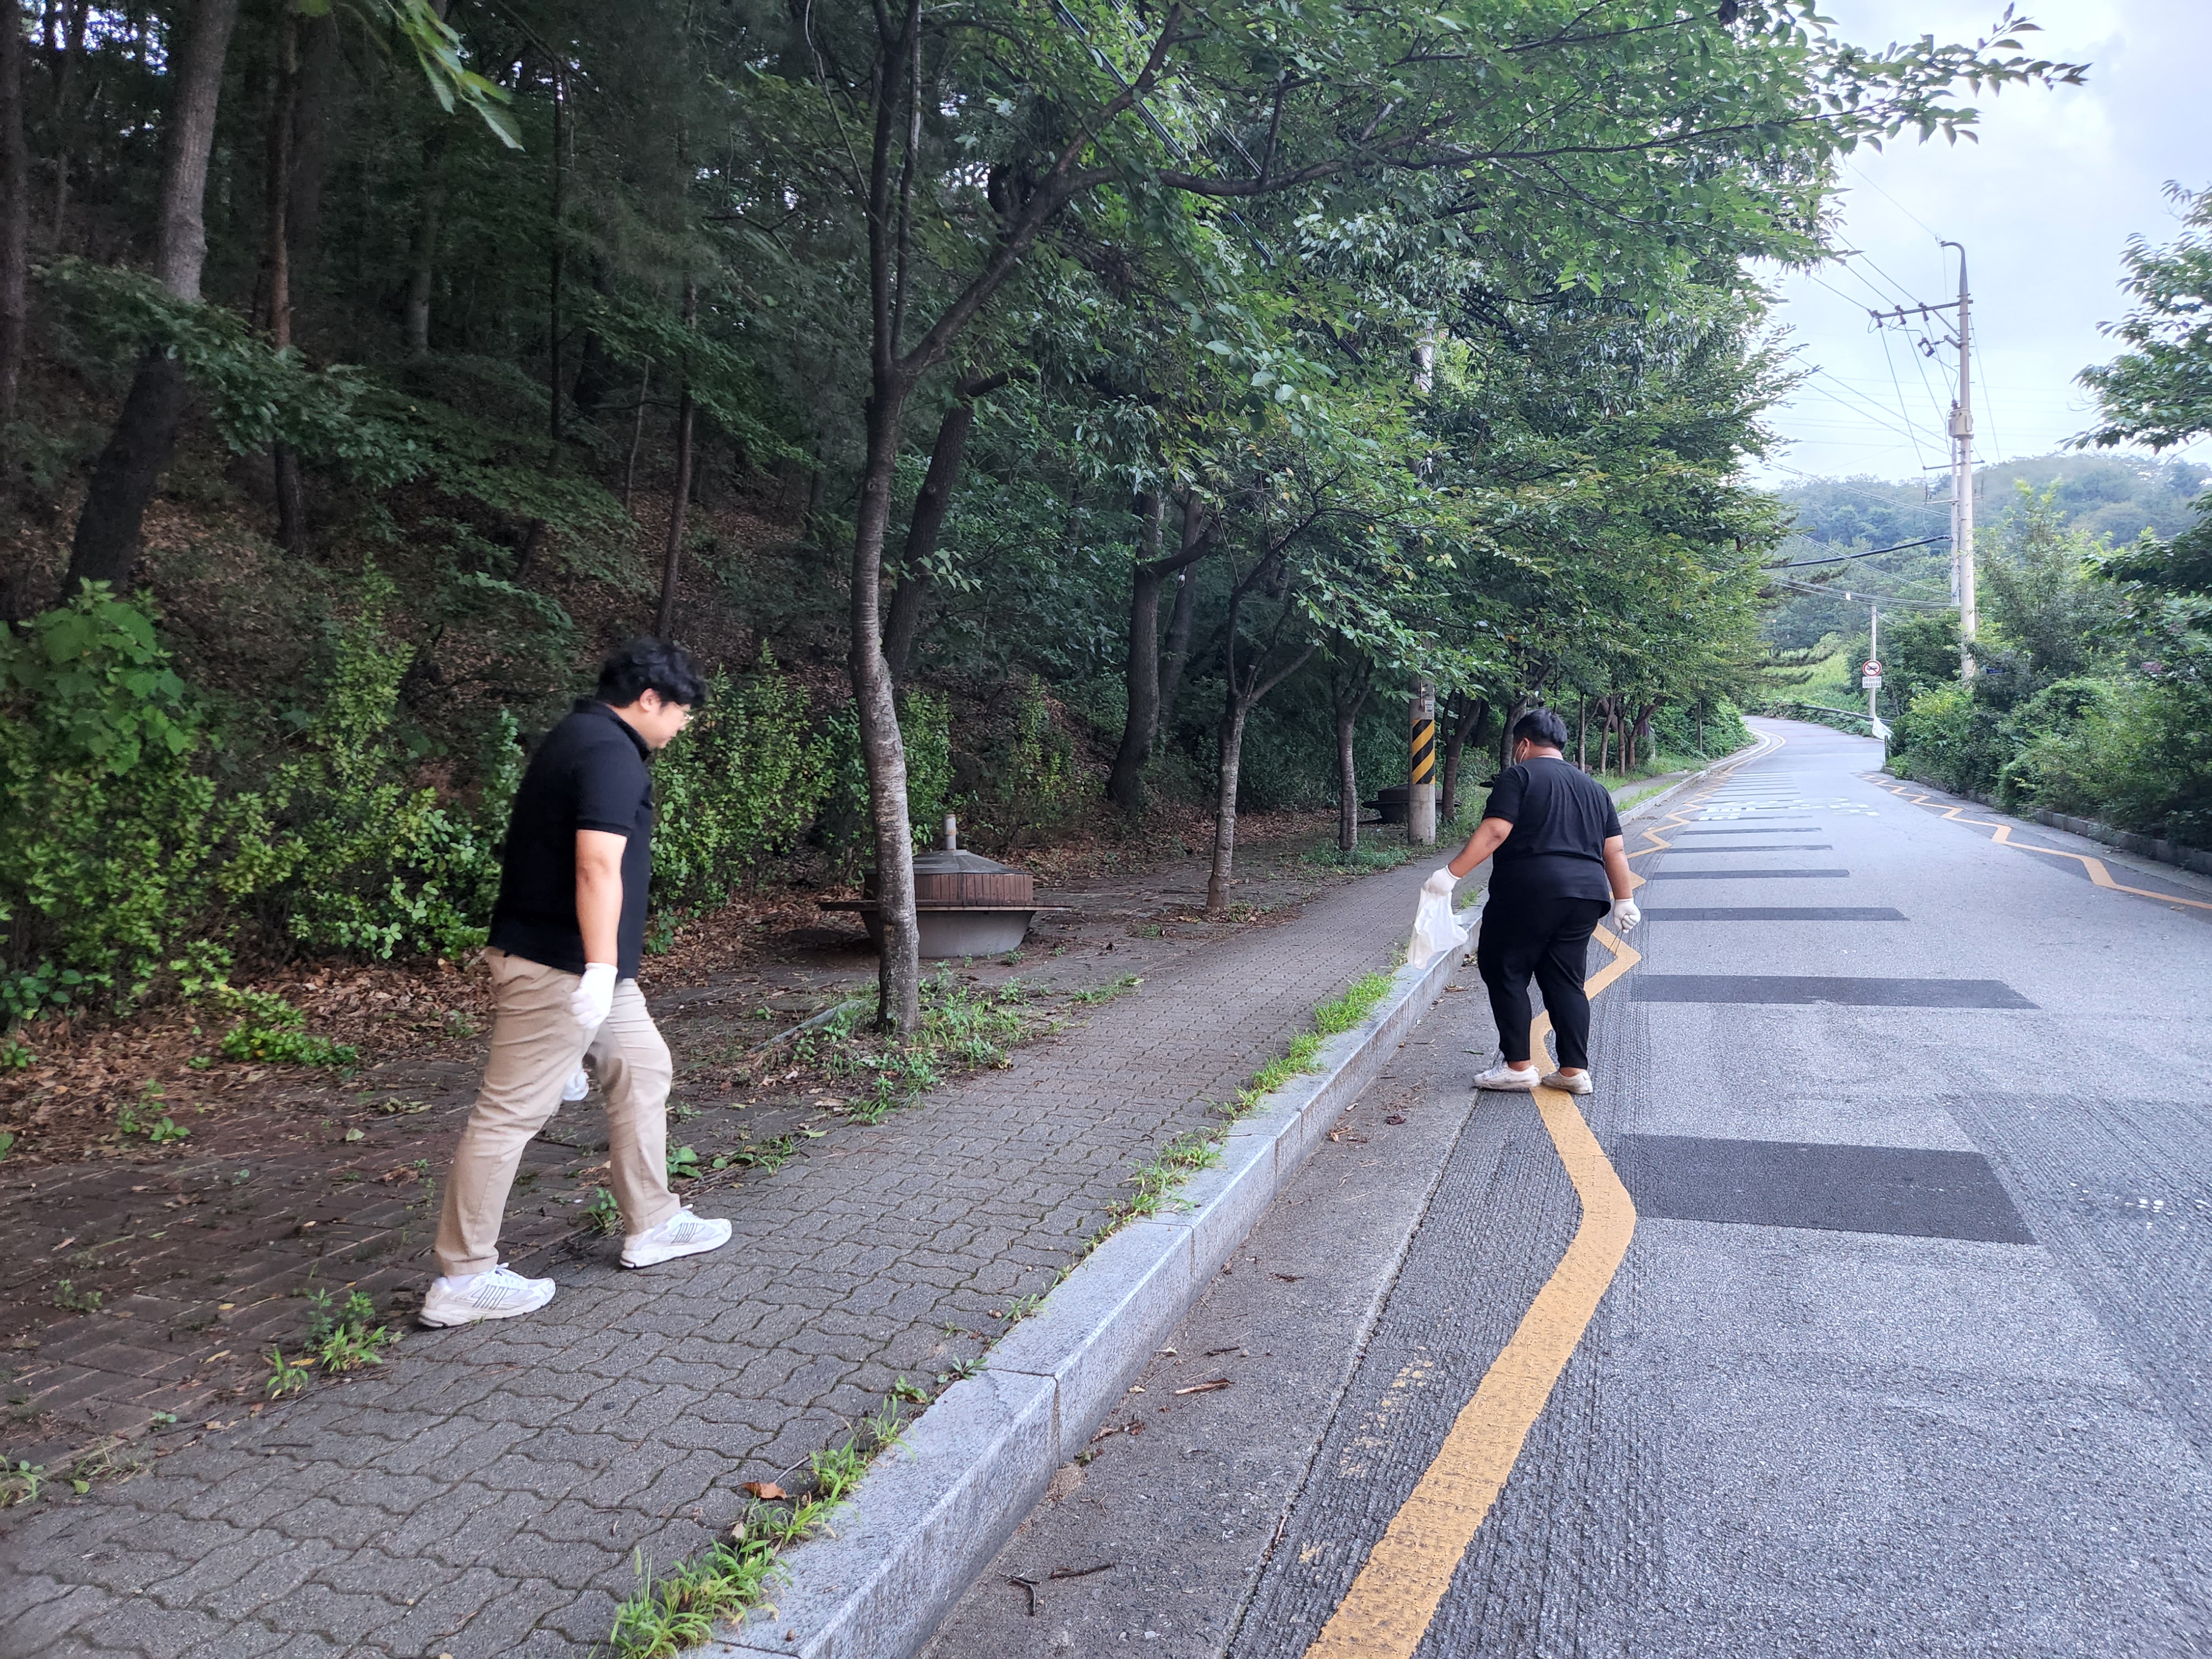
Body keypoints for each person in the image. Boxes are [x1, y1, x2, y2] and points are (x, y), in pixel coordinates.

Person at [420, 639, 732, 1328]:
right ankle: (463, 1277)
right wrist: (597, 970)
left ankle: (653, 1223)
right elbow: (596, 865)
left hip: (585, 966)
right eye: (682, 711)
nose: (683, 725)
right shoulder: (609, 753)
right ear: (648, 699)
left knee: (643, 1067)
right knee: (509, 1113)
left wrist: (602, 973)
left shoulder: (581, 736)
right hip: (563, 966)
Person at [1424, 707, 1640, 1095]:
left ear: (1523, 744)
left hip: (1528, 891)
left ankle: (1519, 1068)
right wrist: (1624, 898)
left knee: (1505, 970)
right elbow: (1615, 851)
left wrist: (1451, 875)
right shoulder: (1595, 789)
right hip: (1587, 895)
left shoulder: (1518, 776)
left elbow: (1496, 831)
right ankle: (1573, 1072)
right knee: (1566, 980)